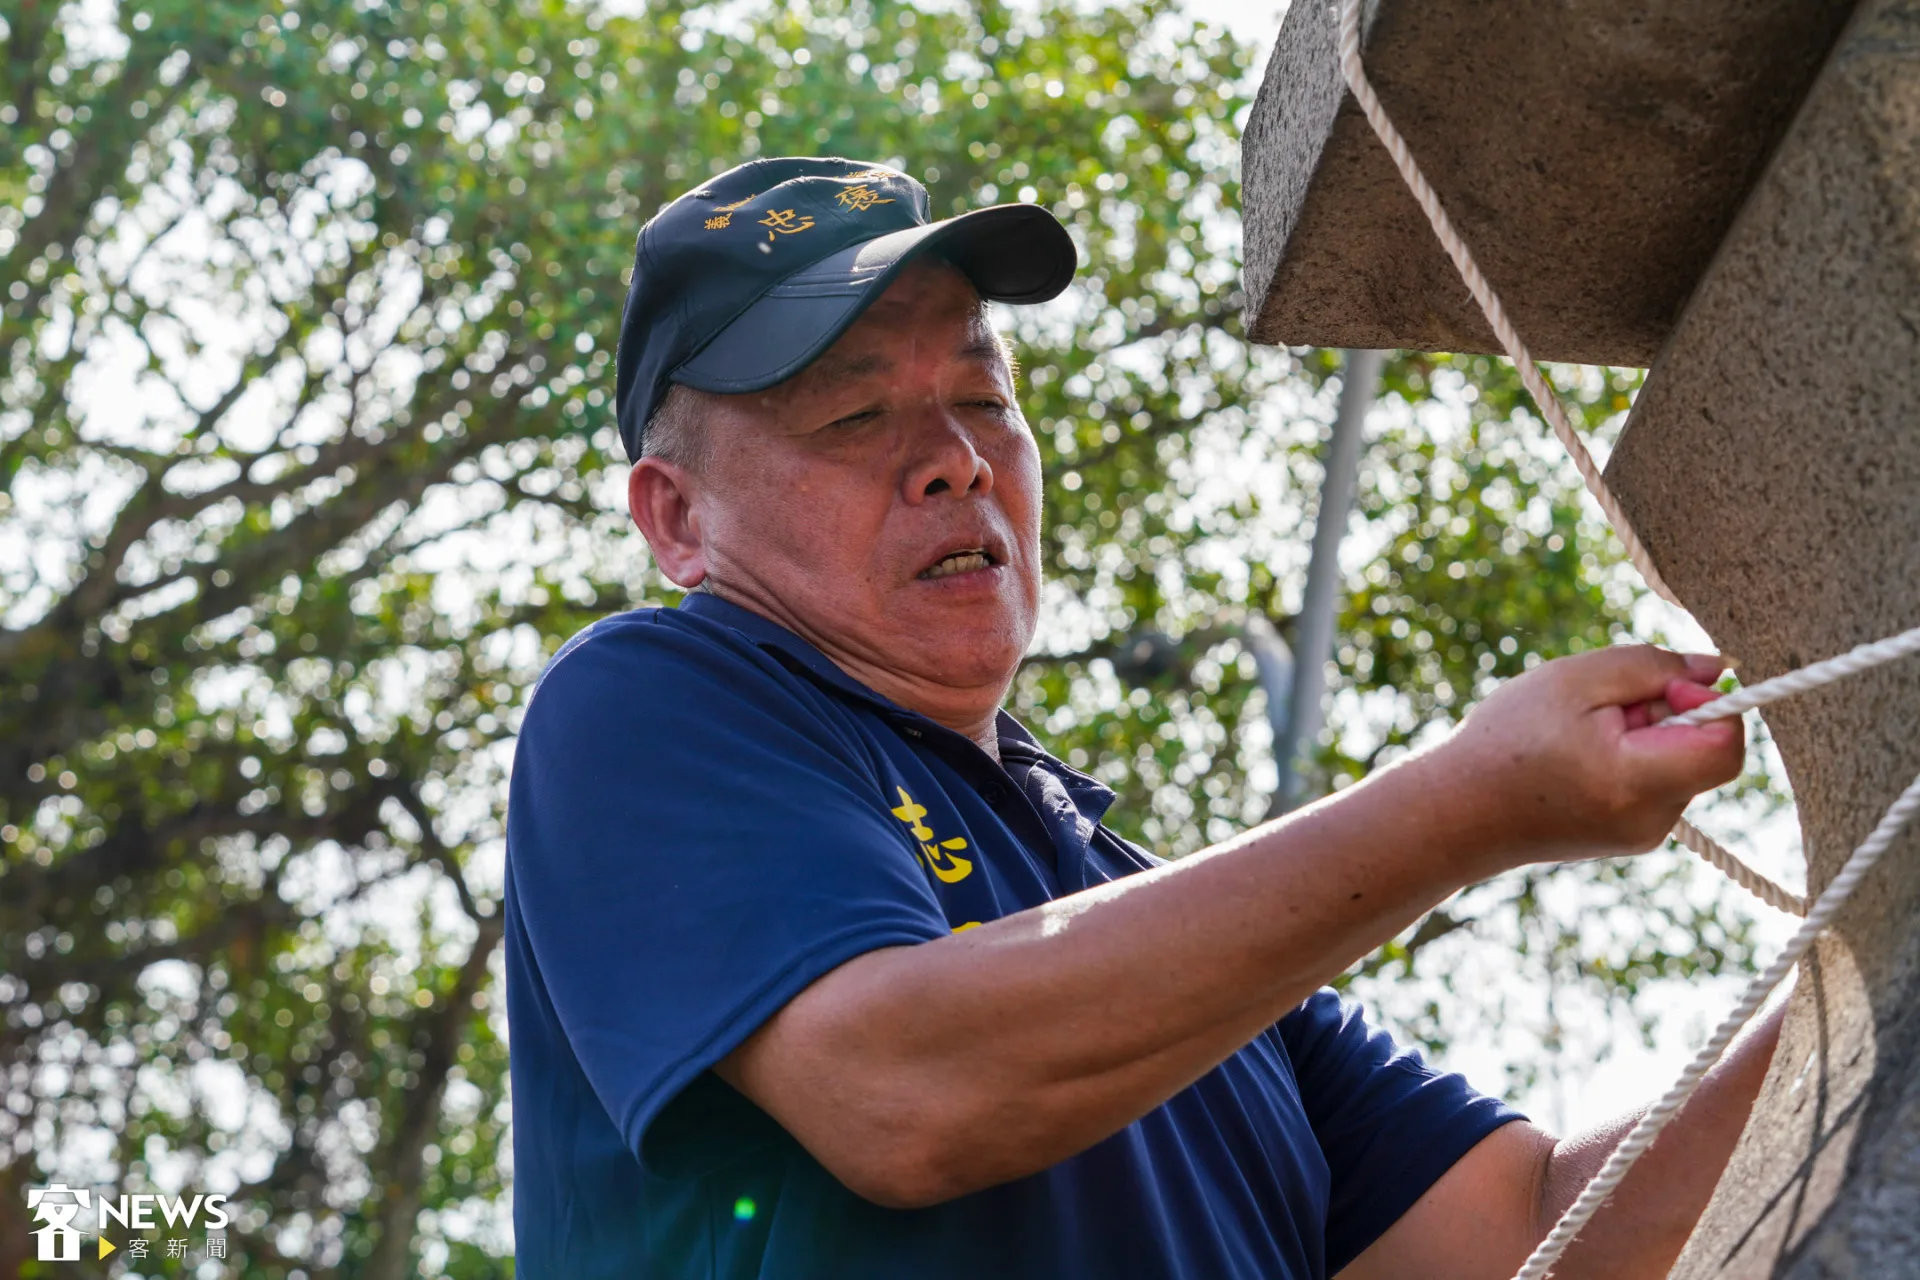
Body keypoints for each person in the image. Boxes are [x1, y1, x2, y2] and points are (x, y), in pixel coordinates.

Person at [502, 156, 1780, 1279]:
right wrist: (1468, 803)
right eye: (853, 413)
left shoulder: (1147, 917)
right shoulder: (642, 700)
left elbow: (1537, 1231)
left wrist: (1863, 970)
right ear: (677, 517)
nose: (955, 457)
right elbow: (898, 1089)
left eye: (984, 398)